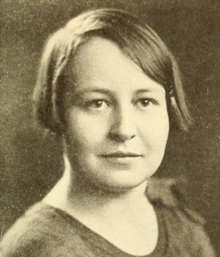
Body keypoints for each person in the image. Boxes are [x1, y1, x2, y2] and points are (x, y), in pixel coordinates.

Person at [0, 8, 216, 257]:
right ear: (56, 112)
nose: (124, 130)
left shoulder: (174, 215)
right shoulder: (40, 249)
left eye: (144, 102)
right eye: (97, 103)